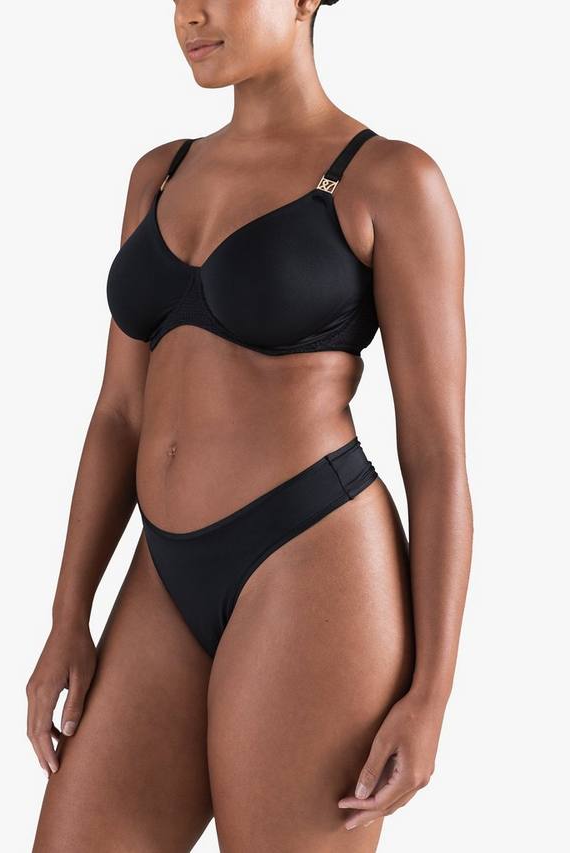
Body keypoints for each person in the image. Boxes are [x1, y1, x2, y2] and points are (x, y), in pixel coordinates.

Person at [27, 1, 473, 850]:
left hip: (312, 562)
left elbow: (437, 455)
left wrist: (433, 692)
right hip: (163, 570)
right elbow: (119, 412)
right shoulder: (159, 174)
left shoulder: (390, 180)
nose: (189, 14)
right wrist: (67, 614)